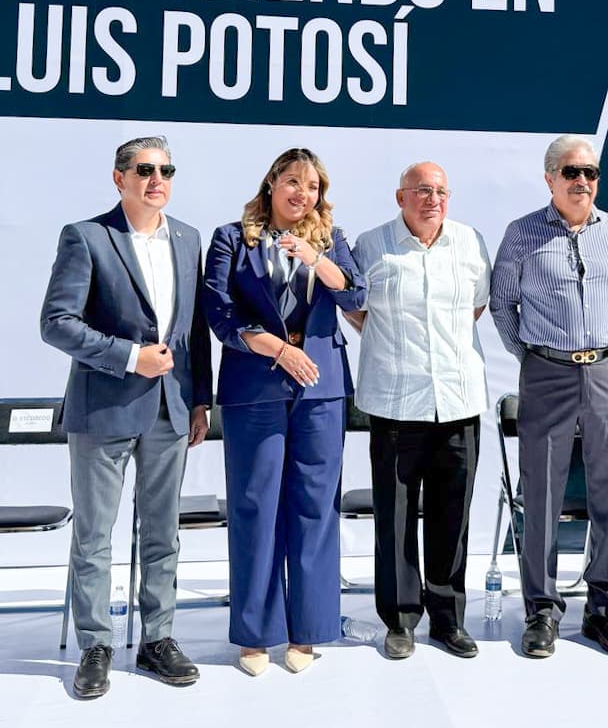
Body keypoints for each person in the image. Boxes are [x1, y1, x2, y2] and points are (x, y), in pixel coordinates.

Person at [40, 136, 211, 698]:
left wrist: (201, 399)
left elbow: (195, 333)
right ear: (119, 178)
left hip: (170, 411)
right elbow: (57, 322)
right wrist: (127, 356)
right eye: (144, 169)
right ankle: (96, 643)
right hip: (103, 409)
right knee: (94, 537)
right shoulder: (86, 236)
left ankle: (157, 638)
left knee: (161, 534)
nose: (156, 178)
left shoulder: (188, 240)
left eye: (165, 169)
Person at [203, 148, 366, 676]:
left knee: (317, 508)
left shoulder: (331, 240)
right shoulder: (232, 237)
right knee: (255, 506)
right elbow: (220, 314)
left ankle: (310, 630)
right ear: (272, 183)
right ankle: (255, 635)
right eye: (293, 182)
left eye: (313, 186)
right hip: (256, 386)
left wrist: (315, 258)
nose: (303, 193)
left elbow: (357, 292)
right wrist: (276, 348)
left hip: (321, 387)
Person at [490, 134, 608, 658]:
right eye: (571, 171)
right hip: (547, 373)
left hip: (607, 370)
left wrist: (600, 349)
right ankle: (541, 610)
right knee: (543, 497)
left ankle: (605, 610)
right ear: (549, 177)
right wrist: (533, 356)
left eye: (591, 173)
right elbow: (503, 304)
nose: (582, 181)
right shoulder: (522, 234)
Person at [348, 162, 492, 660]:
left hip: (457, 400)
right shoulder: (371, 245)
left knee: (453, 517)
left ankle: (448, 619)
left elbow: (475, 305)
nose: (433, 199)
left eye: (440, 191)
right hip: (394, 401)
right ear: (400, 196)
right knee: (395, 518)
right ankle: (401, 620)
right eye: (422, 191)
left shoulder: (470, 242)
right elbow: (354, 307)